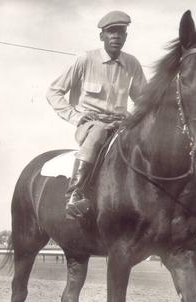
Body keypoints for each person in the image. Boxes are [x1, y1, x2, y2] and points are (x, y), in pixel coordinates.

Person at [46, 10, 147, 218]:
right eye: (111, 32)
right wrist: (75, 117)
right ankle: (74, 194)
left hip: (120, 125)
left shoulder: (132, 64)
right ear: (102, 36)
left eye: (121, 32)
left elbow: (145, 102)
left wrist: (136, 119)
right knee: (99, 132)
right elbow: (53, 92)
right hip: (91, 125)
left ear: (126, 36)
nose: (116, 36)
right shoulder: (85, 60)